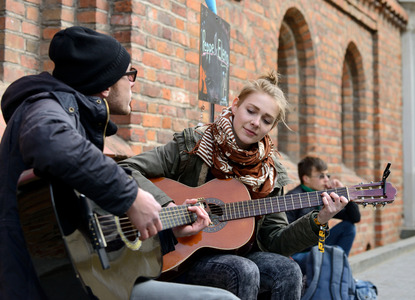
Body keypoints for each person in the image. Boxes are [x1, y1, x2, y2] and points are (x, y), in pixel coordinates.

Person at [0, 26, 238, 300]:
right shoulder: (44, 107)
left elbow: (99, 230)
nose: (133, 83)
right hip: (43, 284)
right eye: (129, 74)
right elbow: (49, 140)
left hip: (85, 280)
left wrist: (170, 226)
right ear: (105, 83)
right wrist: (130, 196)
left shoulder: (77, 120)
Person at [118, 71, 349, 299]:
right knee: (242, 271)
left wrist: (319, 220)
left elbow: (275, 242)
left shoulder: (270, 173)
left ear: (272, 126)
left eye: (266, 120)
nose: (255, 122)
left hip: (238, 255)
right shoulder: (194, 143)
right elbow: (126, 169)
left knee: (288, 270)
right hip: (179, 251)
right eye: (251, 111)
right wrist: (167, 205)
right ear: (236, 104)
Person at [286, 156, 361, 271]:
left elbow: (354, 218)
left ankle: (338, 274)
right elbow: (286, 237)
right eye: (321, 176)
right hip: (299, 254)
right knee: (322, 256)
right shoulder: (293, 197)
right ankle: (336, 272)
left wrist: (344, 193)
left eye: (327, 175)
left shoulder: (323, 195)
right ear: (306, 178)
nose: (326, 179)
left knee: (349, 228)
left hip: (319, 247)